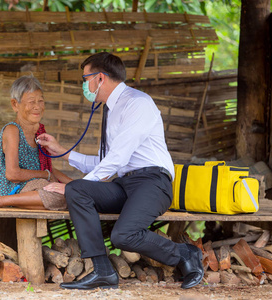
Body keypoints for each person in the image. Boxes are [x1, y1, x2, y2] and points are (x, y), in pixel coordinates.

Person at [37, 52, 204, 290]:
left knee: (123, 235)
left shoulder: (138, 103)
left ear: (100, 78)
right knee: (78, 190)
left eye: (85, 79)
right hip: (125, 184)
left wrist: (72, 185)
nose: (84, 85)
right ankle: (103, 271)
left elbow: (116, 159)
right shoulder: (110, 110)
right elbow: (105, 162)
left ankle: (185, 253)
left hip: (152, 182)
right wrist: (61, 150)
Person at [0, 75, 72, 210]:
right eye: (31, 102)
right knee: (60, 196)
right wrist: (46, 175)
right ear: (15, 104)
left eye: (40, 101)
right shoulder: (12, 130)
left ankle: (28, 201)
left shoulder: (39, 132)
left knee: (73, 193)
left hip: (34, 185)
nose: (37, 107)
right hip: (11, 188)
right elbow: (13, 174)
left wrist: (76, 185)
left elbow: (49, 169)